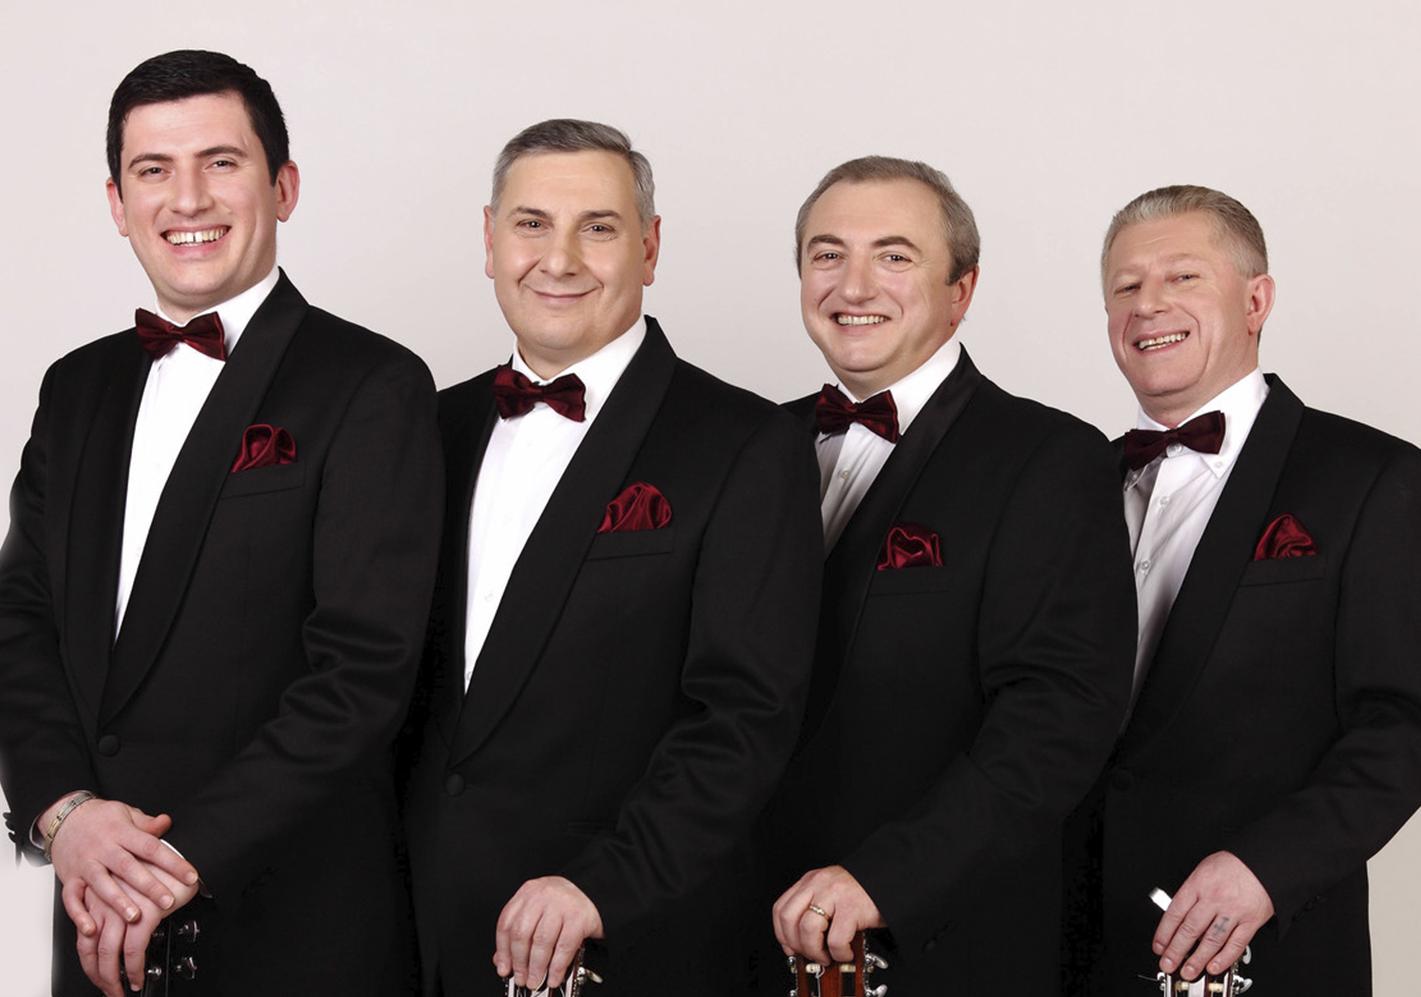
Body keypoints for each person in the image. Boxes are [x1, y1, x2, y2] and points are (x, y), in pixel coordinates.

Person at [0, 49, 442, 996]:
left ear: (283, 187)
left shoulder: (372, 383)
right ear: (118, 202)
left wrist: (169, 862)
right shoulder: (75, 387)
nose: (187, 198)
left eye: (221, 162)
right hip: (97, 922)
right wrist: (64, 815)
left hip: (290, 932)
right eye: (153, 170)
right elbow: (19, 618)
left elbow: (361, 672)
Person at [400, 119, 821, 996]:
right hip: (417, 930)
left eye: (597, 227)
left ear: (649, 247)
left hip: (619, 937)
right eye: (531, 224)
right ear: (489, 240)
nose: (558, 259)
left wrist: (603, 882)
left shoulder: (744, 443)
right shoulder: (426, 427)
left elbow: (744, 716)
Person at [760, 156, 1136, 993]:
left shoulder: (1046, 457)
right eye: (827, 254)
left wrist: (887, 877)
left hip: (936, 940)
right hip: (738, 932)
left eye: (893, 255)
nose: (853, 284)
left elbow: (1059, 716)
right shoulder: (749, 444)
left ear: (959, 290)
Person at [1062, 185, 1421, 995]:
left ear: (1255, 301)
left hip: (1263, 947)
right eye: (1125, 286)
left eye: (1182, 276)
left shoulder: (1371, 477)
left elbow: (1403, 721)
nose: (1147, 304)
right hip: (1066, 944)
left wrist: (1268, 867)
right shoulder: (1067, 482)